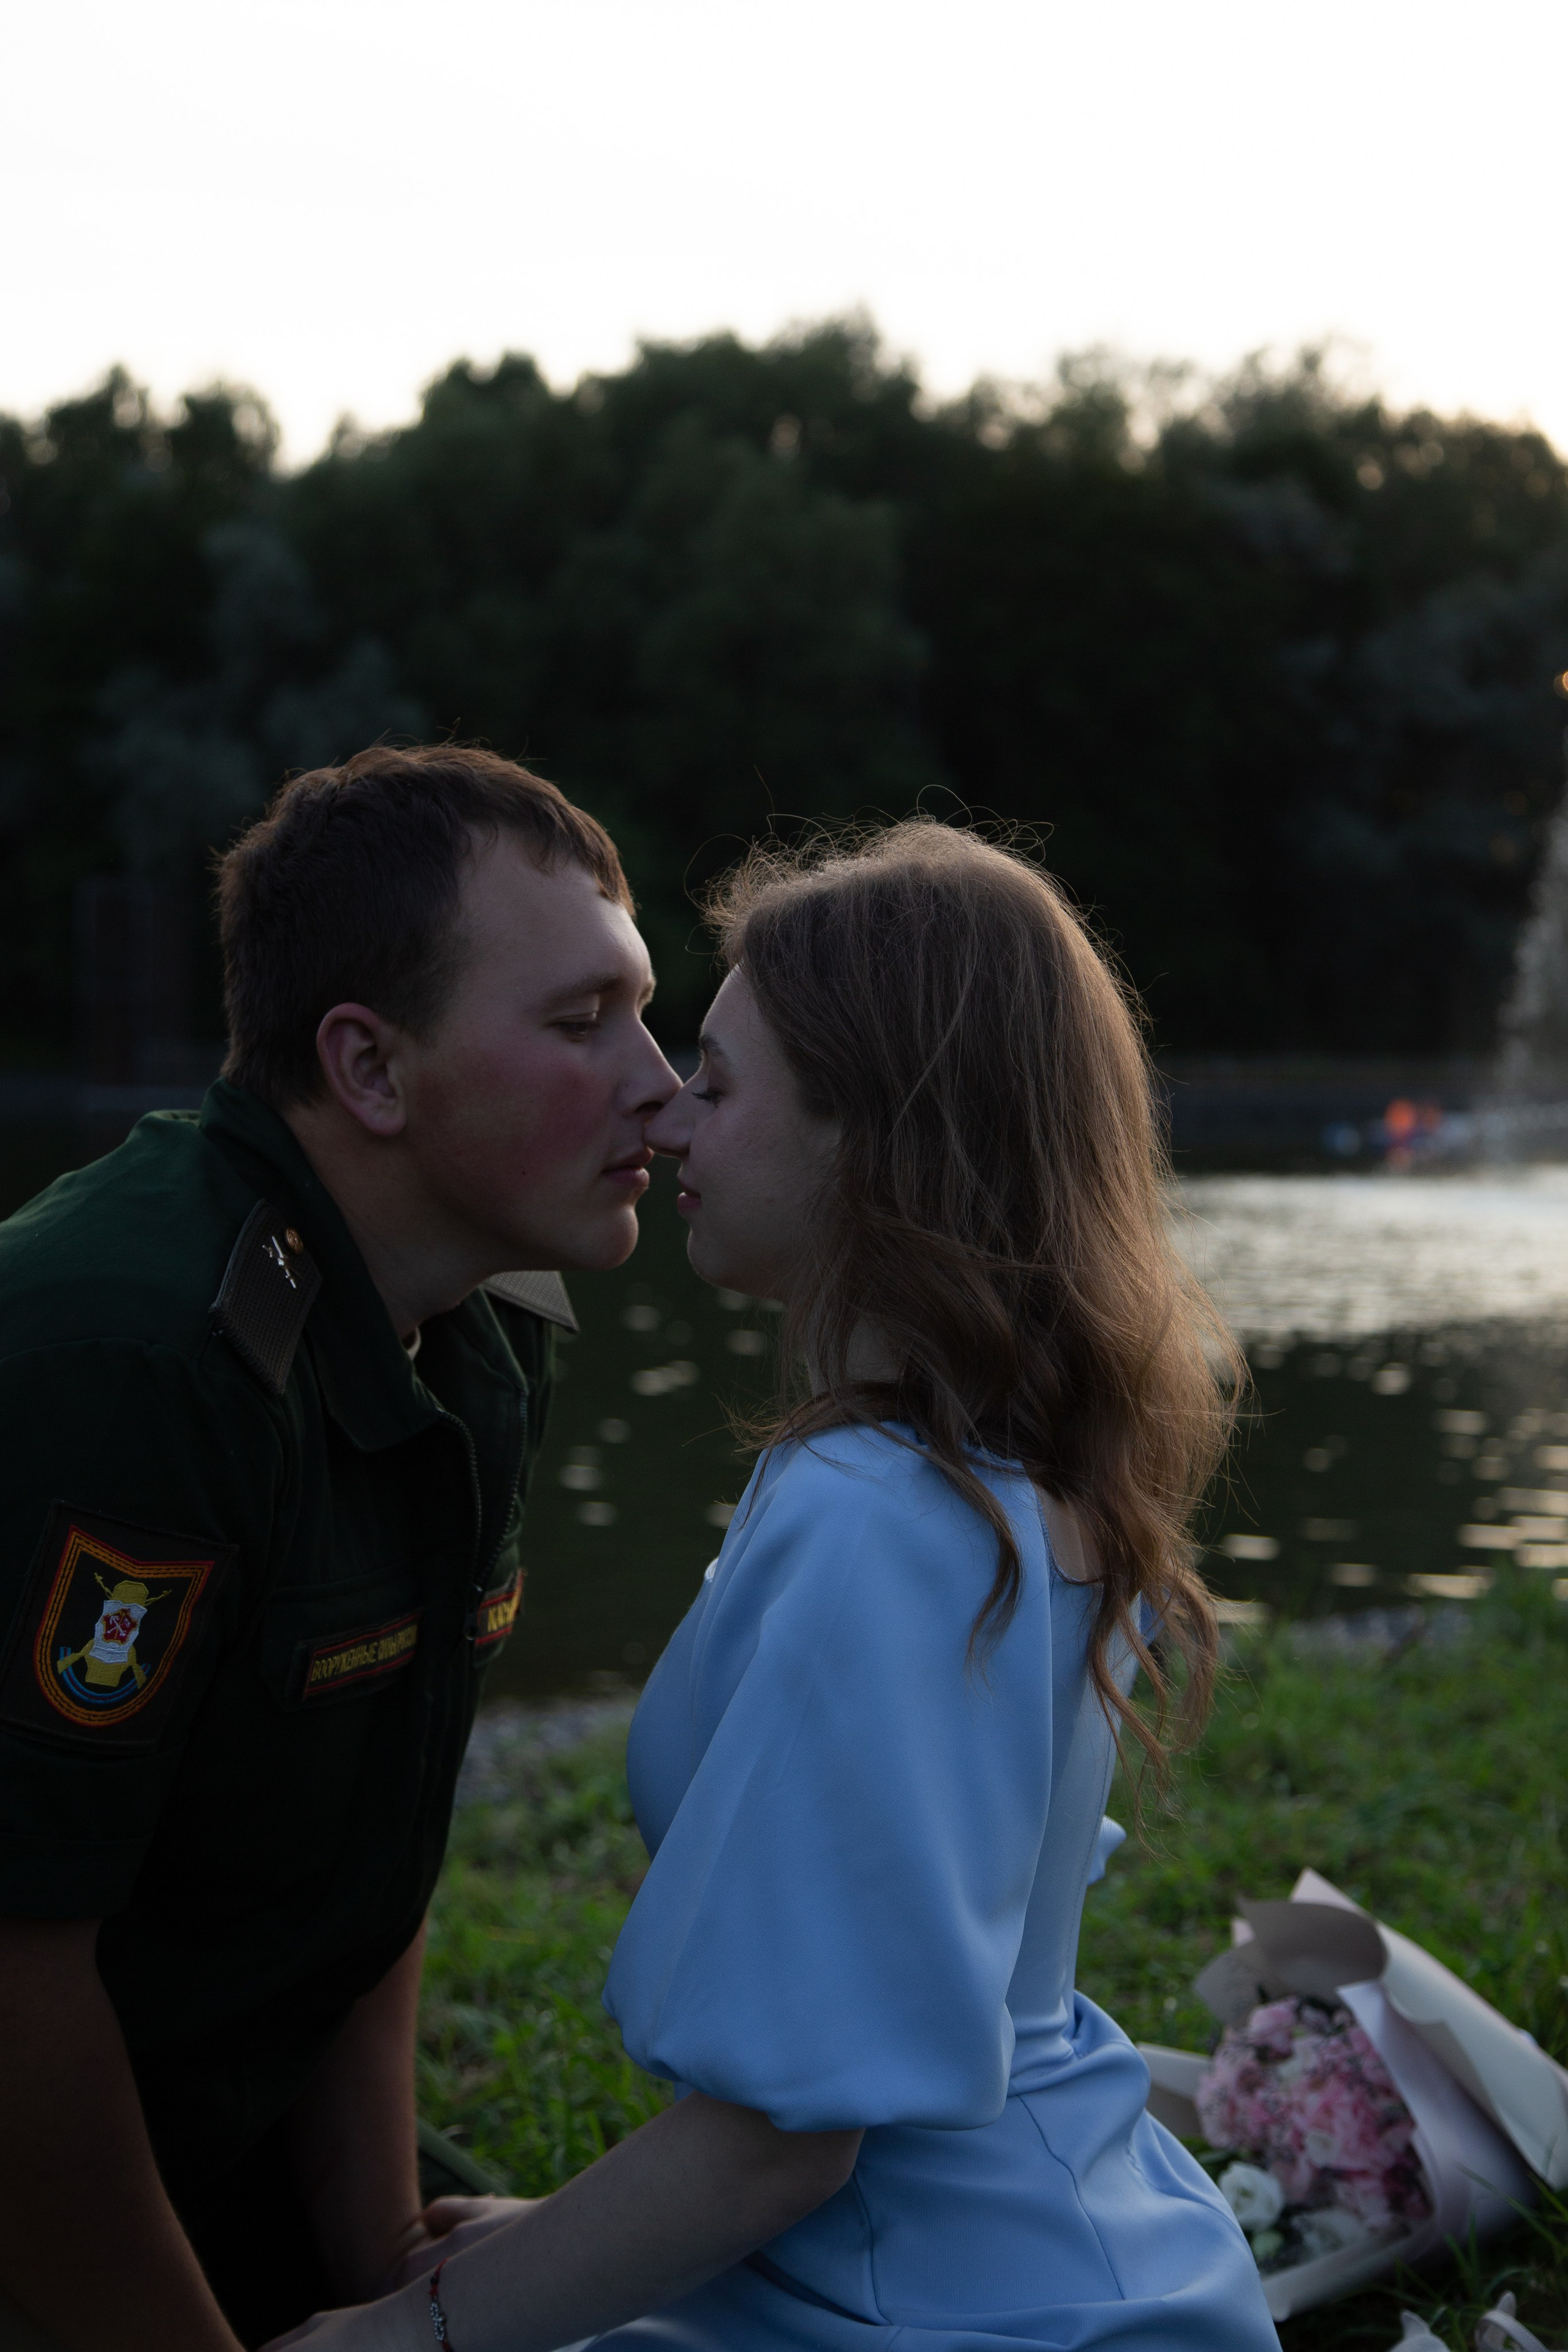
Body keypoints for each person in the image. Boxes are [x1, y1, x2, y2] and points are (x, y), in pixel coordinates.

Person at [267, 818, 1280, 2352]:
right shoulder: (1002, 1472)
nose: (664, 1120)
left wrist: (403, 2338)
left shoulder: (882, 1518)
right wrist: (568, 2235)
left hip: (947, 2311)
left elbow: (788, 2140)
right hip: (1034, 2247)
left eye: (719, 1086)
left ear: (870, 1139)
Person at [0, 745, 680, 2352]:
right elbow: (12, 1989)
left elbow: (368, 1842)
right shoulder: (129, 1366)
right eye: (585, 1024)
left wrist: (384, 2263)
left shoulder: (484, 1319)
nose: (661, 1078)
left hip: (199, 2133)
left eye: (645, 1009)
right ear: (369, 1070)